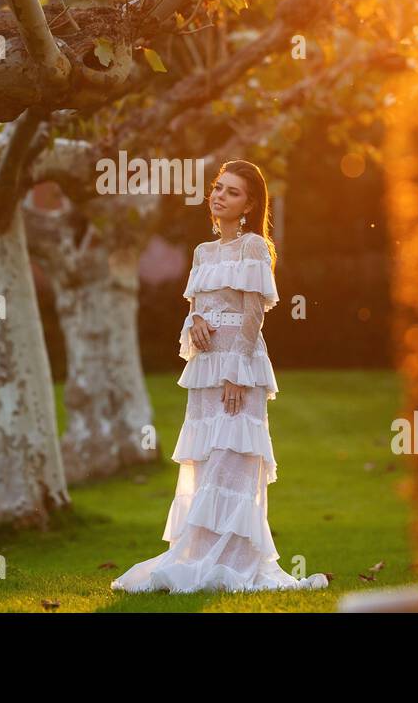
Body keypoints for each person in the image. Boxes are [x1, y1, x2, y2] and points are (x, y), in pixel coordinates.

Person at [110, 160, 330, 594]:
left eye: (231, 192)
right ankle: (200, 556)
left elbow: (252, 314)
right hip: (205, 371)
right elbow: (196, 306)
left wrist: (236, 373)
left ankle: (234, 562)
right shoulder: (202, 252)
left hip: (238, 368)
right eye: (217, 188)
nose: (218, 196)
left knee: (234, 462)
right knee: (208, 462)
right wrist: (193, 321)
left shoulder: (252, 247)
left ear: (248, 204)